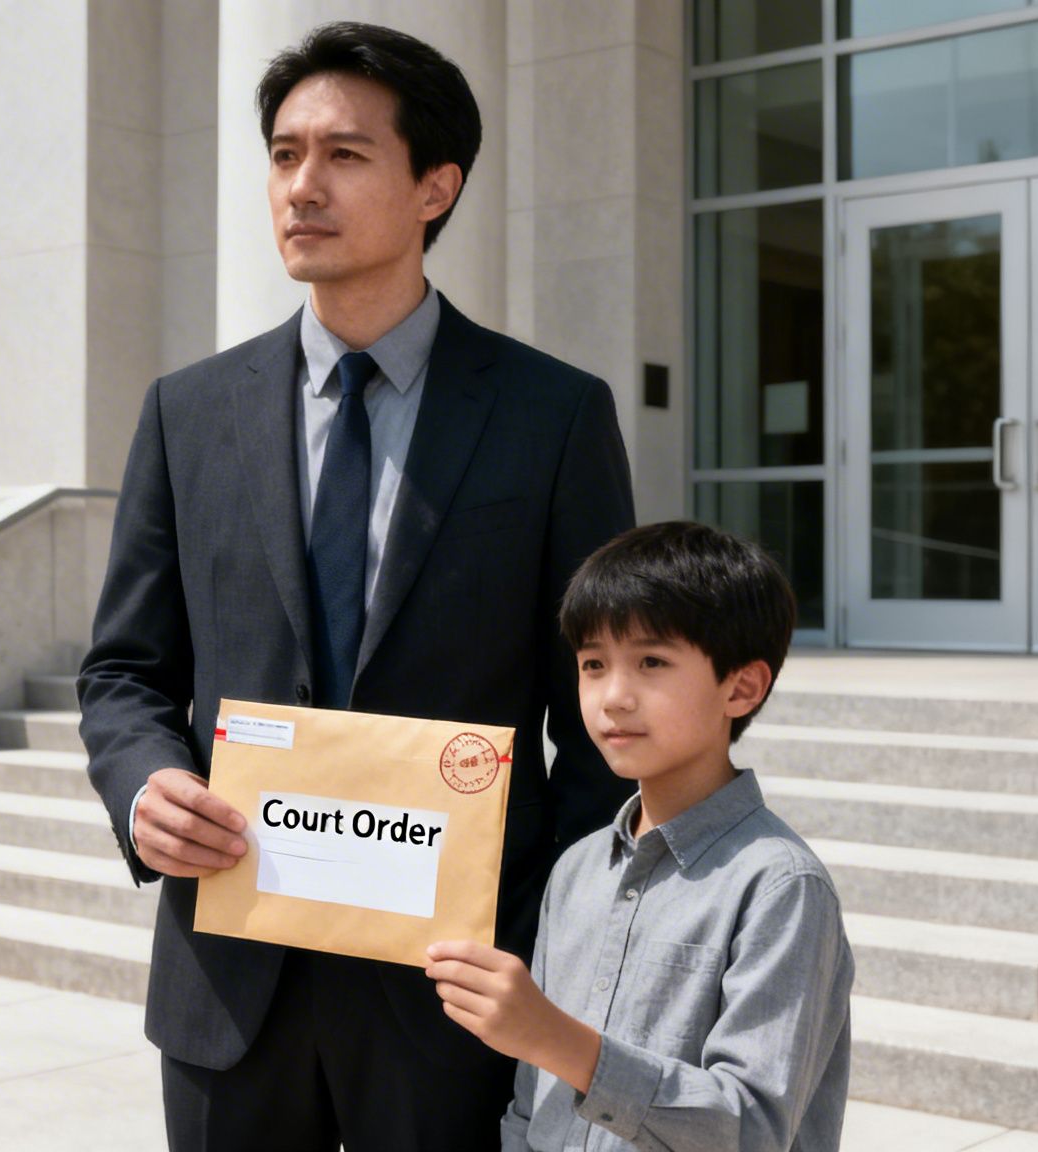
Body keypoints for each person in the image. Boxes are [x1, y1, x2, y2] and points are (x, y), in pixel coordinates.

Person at [76, 20, 637, 1152]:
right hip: (230, 984)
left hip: (447, 992)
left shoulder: (552, 417)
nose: (300, 187)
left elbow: (595, 722)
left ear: (435, 185)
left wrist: (535, 943)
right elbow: (125, 671)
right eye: (284, 155)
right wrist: (144, 789)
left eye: (343, 155)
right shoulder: (188, 413)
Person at [426, 521, 854, 1152]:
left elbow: (754, 1126)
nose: (613, 697)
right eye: (593, 665)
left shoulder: (780, 887)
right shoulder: (576, 869)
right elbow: (530, 1101)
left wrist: (554, 1038)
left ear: (742, 686)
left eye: (651, 662)